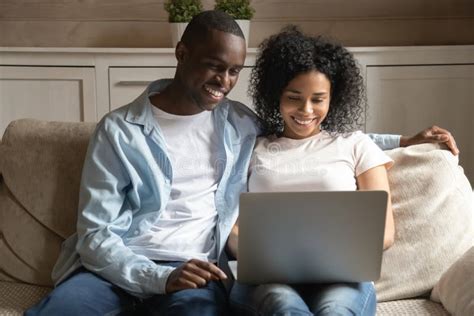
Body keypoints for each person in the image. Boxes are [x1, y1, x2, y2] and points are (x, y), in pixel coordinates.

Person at [26, 11, 458, 316]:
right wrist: (156, 278)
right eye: (215, 67)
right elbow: (96, 236)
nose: (224, 83)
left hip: (198, 268)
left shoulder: (237, 123)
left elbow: (321, 137)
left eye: (234, 72)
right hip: (115, 266)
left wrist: (406, 140)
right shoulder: (119, 130)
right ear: (182, 53)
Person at [226, 26, 434, 316]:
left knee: (336, 311)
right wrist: (252, 252)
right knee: (284, 307)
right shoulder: (251, 149)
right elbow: (231, 226)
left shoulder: (355, 145)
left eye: (318, 99)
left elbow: (383, 233)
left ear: (333, 98)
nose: (306, 110)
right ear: (276, 95)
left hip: (342, 279)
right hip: (269, 279)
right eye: (294, 97)